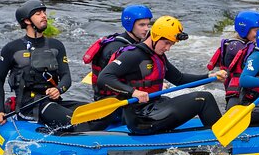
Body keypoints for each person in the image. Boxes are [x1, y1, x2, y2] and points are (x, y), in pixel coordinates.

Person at [97, 16, 227, 135]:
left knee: (170, 99)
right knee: (204, 98)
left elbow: (180, 79)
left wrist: (210, 76)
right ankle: (222, 140)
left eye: (171, 44)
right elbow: (104, 77)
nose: (168, 48)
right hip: (140, 118)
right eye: (166, 43)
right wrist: (133, 92)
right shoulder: (133, 55)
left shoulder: (158, 56)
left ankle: (212, 135)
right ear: (155, 36)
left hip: (152, 110)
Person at [0, 0, 86, 130]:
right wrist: (0, 111)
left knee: (96, 113)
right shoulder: (12, 49)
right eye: (38, 13)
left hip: (53, 101)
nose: (44, 15)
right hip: (29, 106)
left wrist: (58, 89)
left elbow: (66, 77)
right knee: (77, 122)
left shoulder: (56, 46)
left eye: (44, 12)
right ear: (27, 21)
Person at [82, 4, 152, 101]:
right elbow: (108, 80)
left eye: (148, 25)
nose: (146, 29)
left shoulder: (131, 43)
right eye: (141, 25)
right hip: (110, 99)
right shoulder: (117, 49)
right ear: (130, 25)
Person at [207, 10, 259, 109]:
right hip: (238, 97)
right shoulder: (234, 47)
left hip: (251, 94)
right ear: (244, 30)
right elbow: (258, 55)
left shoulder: (249, 44)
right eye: (257, 31)